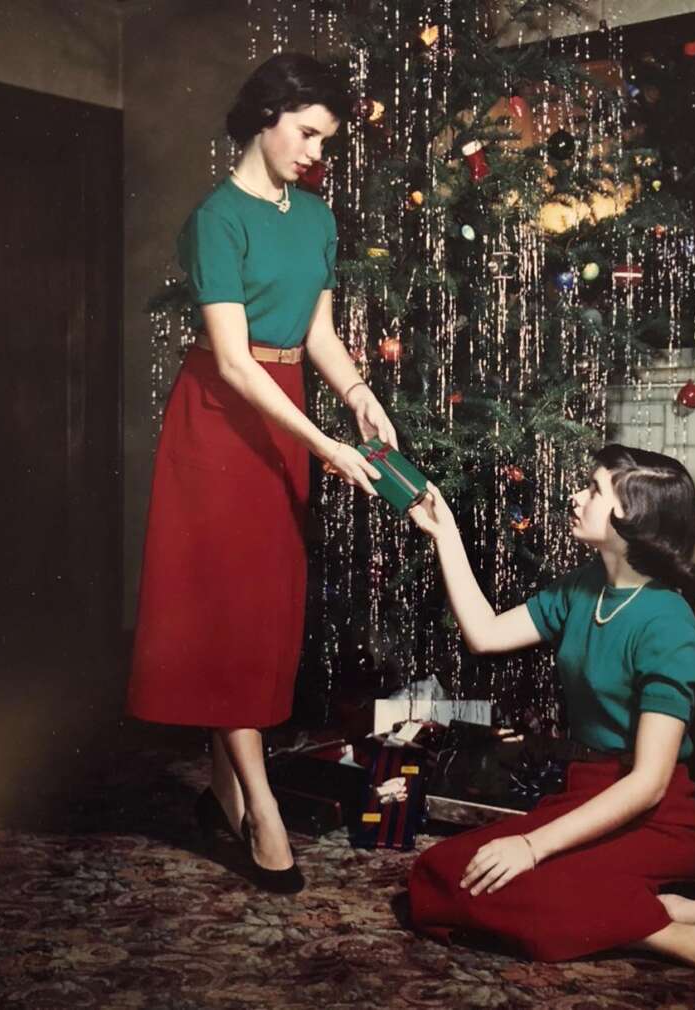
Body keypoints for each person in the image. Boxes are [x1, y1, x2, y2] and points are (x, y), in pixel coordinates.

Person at [126, 53, 396, 894]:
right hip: (220, 415)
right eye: (307, 133)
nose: (317, 152)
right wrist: (324, 443)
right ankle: (263, 811)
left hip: (287, 407)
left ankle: (219, 789)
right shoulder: (216, 219)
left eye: (327, 140)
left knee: (260, 603)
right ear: (267, 117)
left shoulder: (315, 217)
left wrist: (357, 395)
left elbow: (315, 334)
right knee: (223, 603)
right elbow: (236, 364)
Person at [406, 445, 695, 996]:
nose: (575, 497)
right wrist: (447, 536)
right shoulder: (585, 588)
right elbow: (484, 633)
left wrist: (533, 847)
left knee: (530, 887)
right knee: (439, 875)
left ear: (630, 517)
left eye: (594, 489)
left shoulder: (669, 626)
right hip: (580, 797)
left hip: (652, 817)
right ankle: (671, 914)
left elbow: (649, 784)